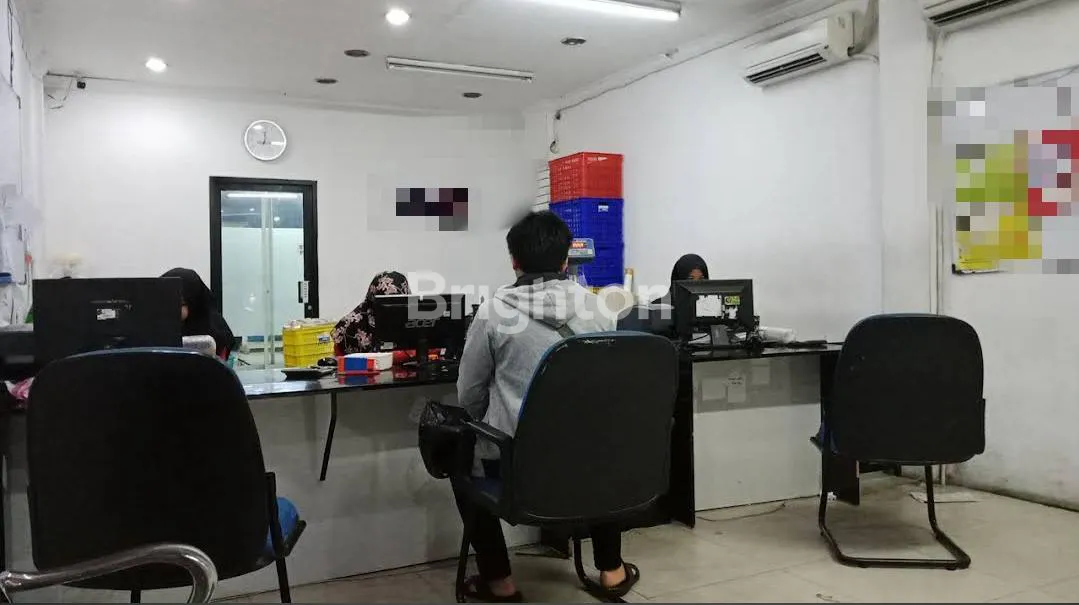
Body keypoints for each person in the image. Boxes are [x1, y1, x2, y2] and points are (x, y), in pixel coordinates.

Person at [454, 211, 638, 602]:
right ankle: (611, 570)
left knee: (460, 461)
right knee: (599, 441)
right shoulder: (600, 310)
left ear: (514, 261)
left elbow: (468, 395)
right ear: (565, 260)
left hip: (518, 469)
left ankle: (500, 582)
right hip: (590, 468)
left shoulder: (492, 313)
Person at [162, 268, 235, 360]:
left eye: (178, 302)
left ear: (192, 301)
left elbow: (217, 366)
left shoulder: (216, 332)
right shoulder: (159, 326)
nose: (168, 308)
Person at [332, 271, 411, 355]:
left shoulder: (413, 317)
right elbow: (340, 359)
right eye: (386, 303)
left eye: (397, 302)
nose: (392, 309)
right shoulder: (351, 325)